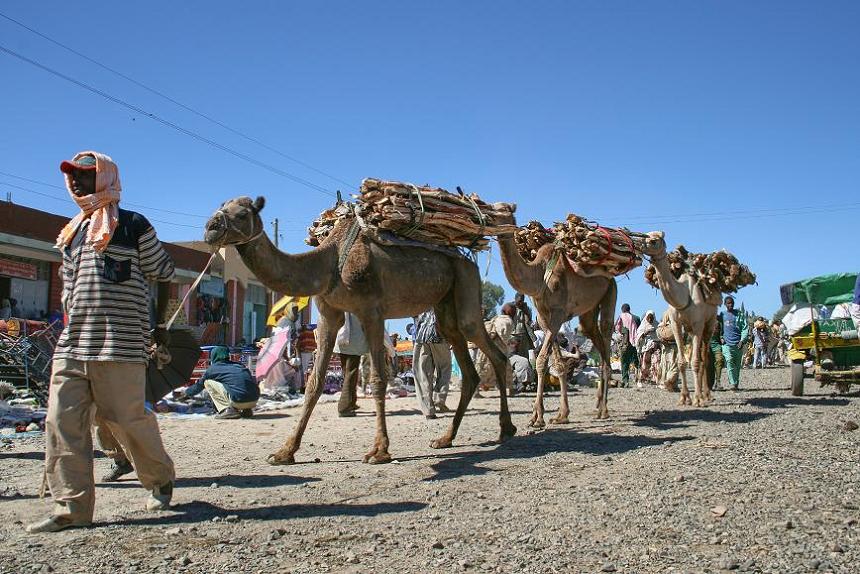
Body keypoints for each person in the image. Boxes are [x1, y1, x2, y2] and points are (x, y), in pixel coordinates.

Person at [28, 152, 176, 534]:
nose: (76, 181)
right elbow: (68, 287)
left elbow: (163, 274)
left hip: (121, 345)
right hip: (73, 344)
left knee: (127, 420)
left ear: (106, 177)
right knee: (62, 423)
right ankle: (70, 508)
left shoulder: (133, 226)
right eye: (72, 176)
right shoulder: (71, 232)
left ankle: (160, 479)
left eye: (85, 175)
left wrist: (158, 328)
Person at [182, 346, 259, 418]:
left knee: (207, 382)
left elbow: (199, 385)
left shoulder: (213, 369)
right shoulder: (239, 366)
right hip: (254, 401)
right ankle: (247, 411)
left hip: (238, 400)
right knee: (237, 385)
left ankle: (226, 409)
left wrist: (186, 393)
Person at [412, 309, 452, 418]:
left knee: (422, 374)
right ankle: (439, 398)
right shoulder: (441, 296)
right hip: (439, 336)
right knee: (444, 369)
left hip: (421, 338)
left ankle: (428, 410)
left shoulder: (419, 301)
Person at [333, 313, 368, 417]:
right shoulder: (357, 306)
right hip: (354, 343)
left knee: (347, 373)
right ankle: (344, 407)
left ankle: (351, 402)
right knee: (351, 373)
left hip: (342, 342)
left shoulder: (344, 306)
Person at [719, 296, 748, 391]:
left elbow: (745, 328)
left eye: (731, 303)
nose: (730, 305)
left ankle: (736, 382)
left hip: (738, 344)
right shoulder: (722, 315)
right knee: (729, 361)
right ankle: (733, 383)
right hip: (726, 344)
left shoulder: (739, 314)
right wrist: (720, 337)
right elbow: (717, 327)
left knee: (737, 365)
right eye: (728, 303)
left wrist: (742, 340)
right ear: (725, 304)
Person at [614, 303, 640, 387]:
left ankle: (625, 380)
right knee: (636, 361)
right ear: (629, 309)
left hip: (623, 344)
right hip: (634, 344)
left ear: (622, 310)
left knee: (624, 362)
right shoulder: (636, 318)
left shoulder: (620, 318)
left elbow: (616, 330)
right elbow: (639, 331)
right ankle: (639, 379)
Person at [635, 310, 658, 386]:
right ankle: (641, 379)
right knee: (645, 363)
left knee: (656, 363)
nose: (650, 320)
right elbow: (638, 335)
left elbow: (660, 334)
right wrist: (646, 332)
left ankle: (654, 380)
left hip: (655, 347)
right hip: (646, 347)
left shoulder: (656, 324)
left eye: (651, 318)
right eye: (649, 318)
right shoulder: (643, 324)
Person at [510, 293, 536, 359]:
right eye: (519, 301)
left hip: (524, 336)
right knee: (513, 355)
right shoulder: (510, 307)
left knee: (524, 356)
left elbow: (529, 321)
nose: (520, 303)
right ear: (515, 299)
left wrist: (526, 311)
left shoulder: (526, 308)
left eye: (522, 301)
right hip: (513, 335)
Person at [706, 318, 724, 390]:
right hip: (707, 346)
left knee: (720, 360)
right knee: (709, 366)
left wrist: (722, 338)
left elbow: (722, 334)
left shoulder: (718, 323)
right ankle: (709, 384)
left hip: (717, 346)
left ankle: (718, 382)